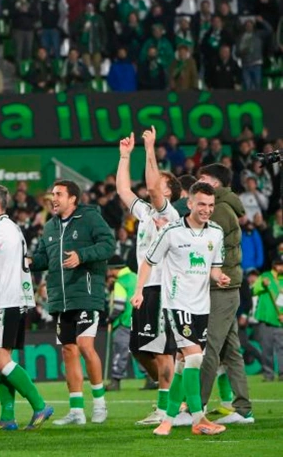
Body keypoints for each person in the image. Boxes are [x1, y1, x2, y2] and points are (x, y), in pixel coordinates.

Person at [133, 182, 229, 436]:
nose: (206, 210)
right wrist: (138, 290)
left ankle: (168, 419)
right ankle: (199, 419)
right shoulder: (172, 231)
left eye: (210, 205)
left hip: (201, 306)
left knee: (182, 363)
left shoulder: (216, 233)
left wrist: (219, 277)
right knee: (196, 357)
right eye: (201, 204)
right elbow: (148, 261)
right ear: (190, 204)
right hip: (176, 303)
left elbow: (214, 269)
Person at [30, 180, 114, 425]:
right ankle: (76, 410)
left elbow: (109, 245)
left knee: (85, 345)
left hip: (85, 293)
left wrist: (82, 255)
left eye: (58, 194)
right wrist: (29, 261)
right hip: (60, 298)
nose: (53, 198)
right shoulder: (49, 227)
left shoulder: (90, 219)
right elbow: (45, 258)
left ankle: (100, 403)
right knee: (68, 350)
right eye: (52, 194)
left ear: (73, 199)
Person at [0, 184, 52, 430]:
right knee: (4, 358)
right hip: (13, 299)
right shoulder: (10, 228)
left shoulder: (0, 230)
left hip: (4, 301)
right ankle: (7, 417)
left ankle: (40, 405)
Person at [116, 128, 182, 423]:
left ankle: (166, 407)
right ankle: (172, 395)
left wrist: (149, 148)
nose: (153, 185)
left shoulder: (169, 214)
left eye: (161, 182)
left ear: (168, 192)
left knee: (163, 351)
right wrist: (124, 156)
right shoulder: (145, 213)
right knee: (139, 348)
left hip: (160, 288)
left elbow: (152, 187)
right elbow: (122, 191)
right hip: (145, 288)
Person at [196, 163, 254, 424]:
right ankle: (243, 409)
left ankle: (196, 409)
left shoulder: (217, 210)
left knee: (210, 348)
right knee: (231, 351)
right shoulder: (226, 206)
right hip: (226, 286)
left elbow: (204, 248)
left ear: (215, 184)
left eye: (204, 179)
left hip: (222, 286)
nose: (199, 181)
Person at [105, 256, 136, 391]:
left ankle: (115, 381)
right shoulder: (135, 277)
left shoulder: (120, 283)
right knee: (141, 352)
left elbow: (118, 306)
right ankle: (151, 379)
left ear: (112, 270)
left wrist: (110, 318)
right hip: (138, 321)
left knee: (120, 351)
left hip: (123, 322)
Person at [252, 257, 283, 382]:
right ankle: (268, 374)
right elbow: (255, 289)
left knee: (281, 349)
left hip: (280, 320)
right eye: (280, 265)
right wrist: (262, 284)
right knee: (267, 349)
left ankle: (282, 374)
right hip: (266, 319)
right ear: (275, 265)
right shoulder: (265, 276)